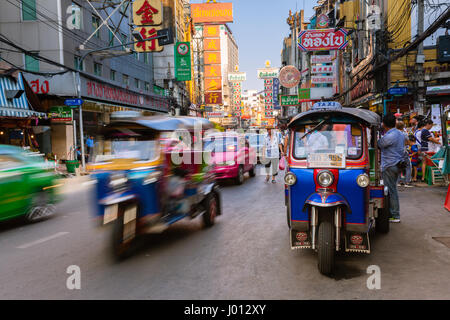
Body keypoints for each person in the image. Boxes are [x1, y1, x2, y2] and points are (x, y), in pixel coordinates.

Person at [378, 113, 405, 223]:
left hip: (390, 165)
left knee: (391, 190)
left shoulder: (390, 136)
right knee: (392, 189)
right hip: (396, 164)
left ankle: (394, 215)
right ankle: (393, 213)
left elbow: (379, 144)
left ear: (384, 124)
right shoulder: (400, 133)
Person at [396, 121, 413, 187]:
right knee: (408, 166)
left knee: (398, 166)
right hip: (403, 151)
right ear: (403, 127)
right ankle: (407, 182)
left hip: (396, 152)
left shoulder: (394, 133)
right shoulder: (404, 133)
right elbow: (408, 142)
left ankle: (398, 181)